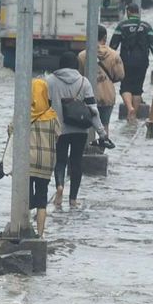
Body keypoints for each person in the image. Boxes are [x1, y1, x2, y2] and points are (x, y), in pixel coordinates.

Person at [46, 52, 114, 209]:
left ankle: (59, 186)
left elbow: (45, 106)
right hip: (80, 130)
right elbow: (93, 110)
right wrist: (102, 133)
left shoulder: (50, 81)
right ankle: (73, 200)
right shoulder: (84, 82)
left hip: (58, 129)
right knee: (76, 162)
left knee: (60, 161)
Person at [7, 79, 62, 236]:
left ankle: (22, 228)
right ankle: (39, 234)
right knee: (42, 198)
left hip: (26, 162)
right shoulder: (52, 116)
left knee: (25, 194)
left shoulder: (23, 114)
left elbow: (11, 131)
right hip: (46, 162)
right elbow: (58, 135)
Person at [110, 3, 153, 119]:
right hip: (142, 63)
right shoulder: (146, 27)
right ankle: (133, 115)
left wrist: (108, 62)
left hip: (125, 62)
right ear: (138, 12)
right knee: (137, 89)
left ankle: (129, 108)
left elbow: (113, 46)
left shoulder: (122, 26)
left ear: (128, 12)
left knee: (125, 86)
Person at [78, 24, 126, 128]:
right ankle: (103, 143)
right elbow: (120, 75)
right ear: (104, 38)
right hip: (107, 96)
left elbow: (79, 76)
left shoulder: (82, 55)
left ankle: (88, 144)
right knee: (104, 126)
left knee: (87, 125)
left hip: (87, 96)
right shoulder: (114, 55)